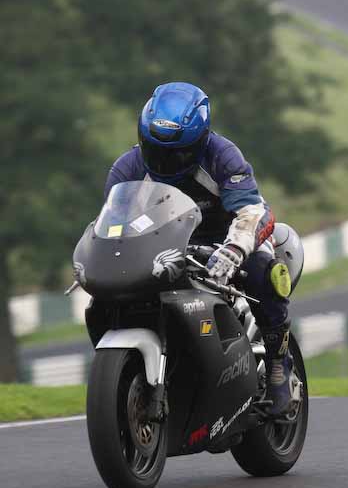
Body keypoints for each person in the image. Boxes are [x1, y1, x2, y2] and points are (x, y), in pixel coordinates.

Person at [104, 82, 293, 416]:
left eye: (177, 153)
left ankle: (279, 365)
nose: (165, 160)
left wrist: (235, 248)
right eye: (156, 149)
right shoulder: (127, 169)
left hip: (227, 238)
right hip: (164, 246)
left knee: (262, 272)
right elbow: (112, 224)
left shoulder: (222, 156)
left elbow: (251, 210)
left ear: (200, 142)